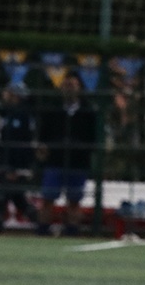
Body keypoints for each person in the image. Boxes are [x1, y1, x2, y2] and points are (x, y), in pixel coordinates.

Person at [35, 70, 99, 236]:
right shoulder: (52, 109)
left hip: (78, 162)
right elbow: (42, 136)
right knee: (48, 198)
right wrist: (43, 150)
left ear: (79, 87)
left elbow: (93, 139)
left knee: (74, 201)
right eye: (66, 84)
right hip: (54, 160)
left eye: (73, 85)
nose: (69, 88)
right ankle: (42, 231)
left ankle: (72, 232)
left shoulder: (88, 112)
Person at [0, 82, 36, 231]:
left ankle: (32, 215)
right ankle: (33, 215)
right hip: (5, 161)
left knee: (5, 193)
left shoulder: (22, 114)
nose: (4, 94)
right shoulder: (8, 113)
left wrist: (15, 167)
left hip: (14, 163)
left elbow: (20, 143)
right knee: (15, 194)